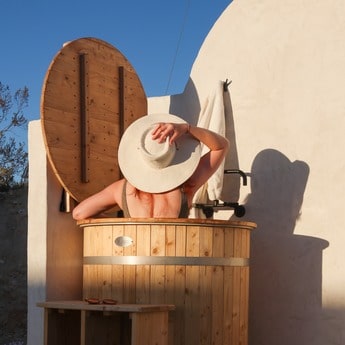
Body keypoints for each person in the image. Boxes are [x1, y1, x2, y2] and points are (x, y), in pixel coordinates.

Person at [72, 113, 229, 220]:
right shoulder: (187, 184)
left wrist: (123, 225)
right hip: (176, 264)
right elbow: (221, 146)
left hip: (137, 265)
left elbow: (79, 213)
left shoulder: (121, 189)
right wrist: (187, 128)